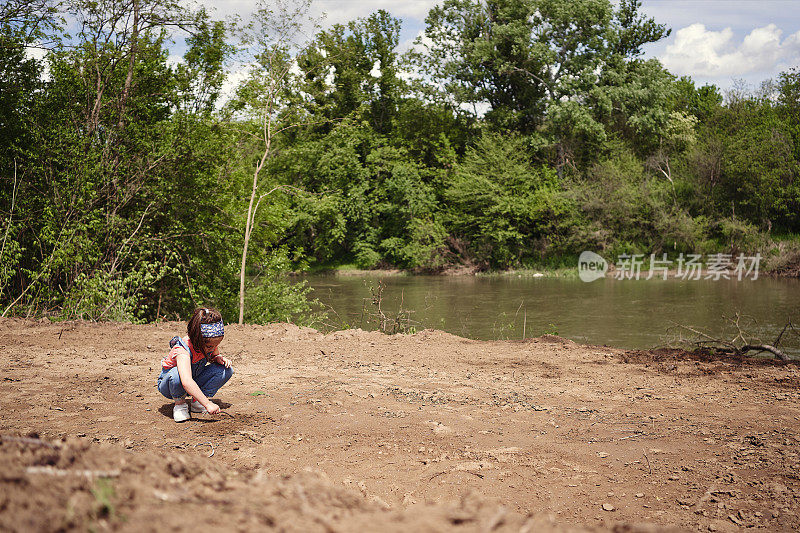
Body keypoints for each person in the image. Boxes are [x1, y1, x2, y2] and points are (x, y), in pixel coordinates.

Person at [156, 307, 233, 422]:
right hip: (171, 385)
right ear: (198, 339)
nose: (213, 348)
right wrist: (208, 404)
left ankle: (197, 402)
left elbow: (213, 356)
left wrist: (218, 358)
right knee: (177, 373)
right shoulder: (182, 350)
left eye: (216, 345)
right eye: (210, 346)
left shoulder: (209, 343)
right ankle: (180, 404)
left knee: (226, 370)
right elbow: (186, 381)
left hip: (193, 378)